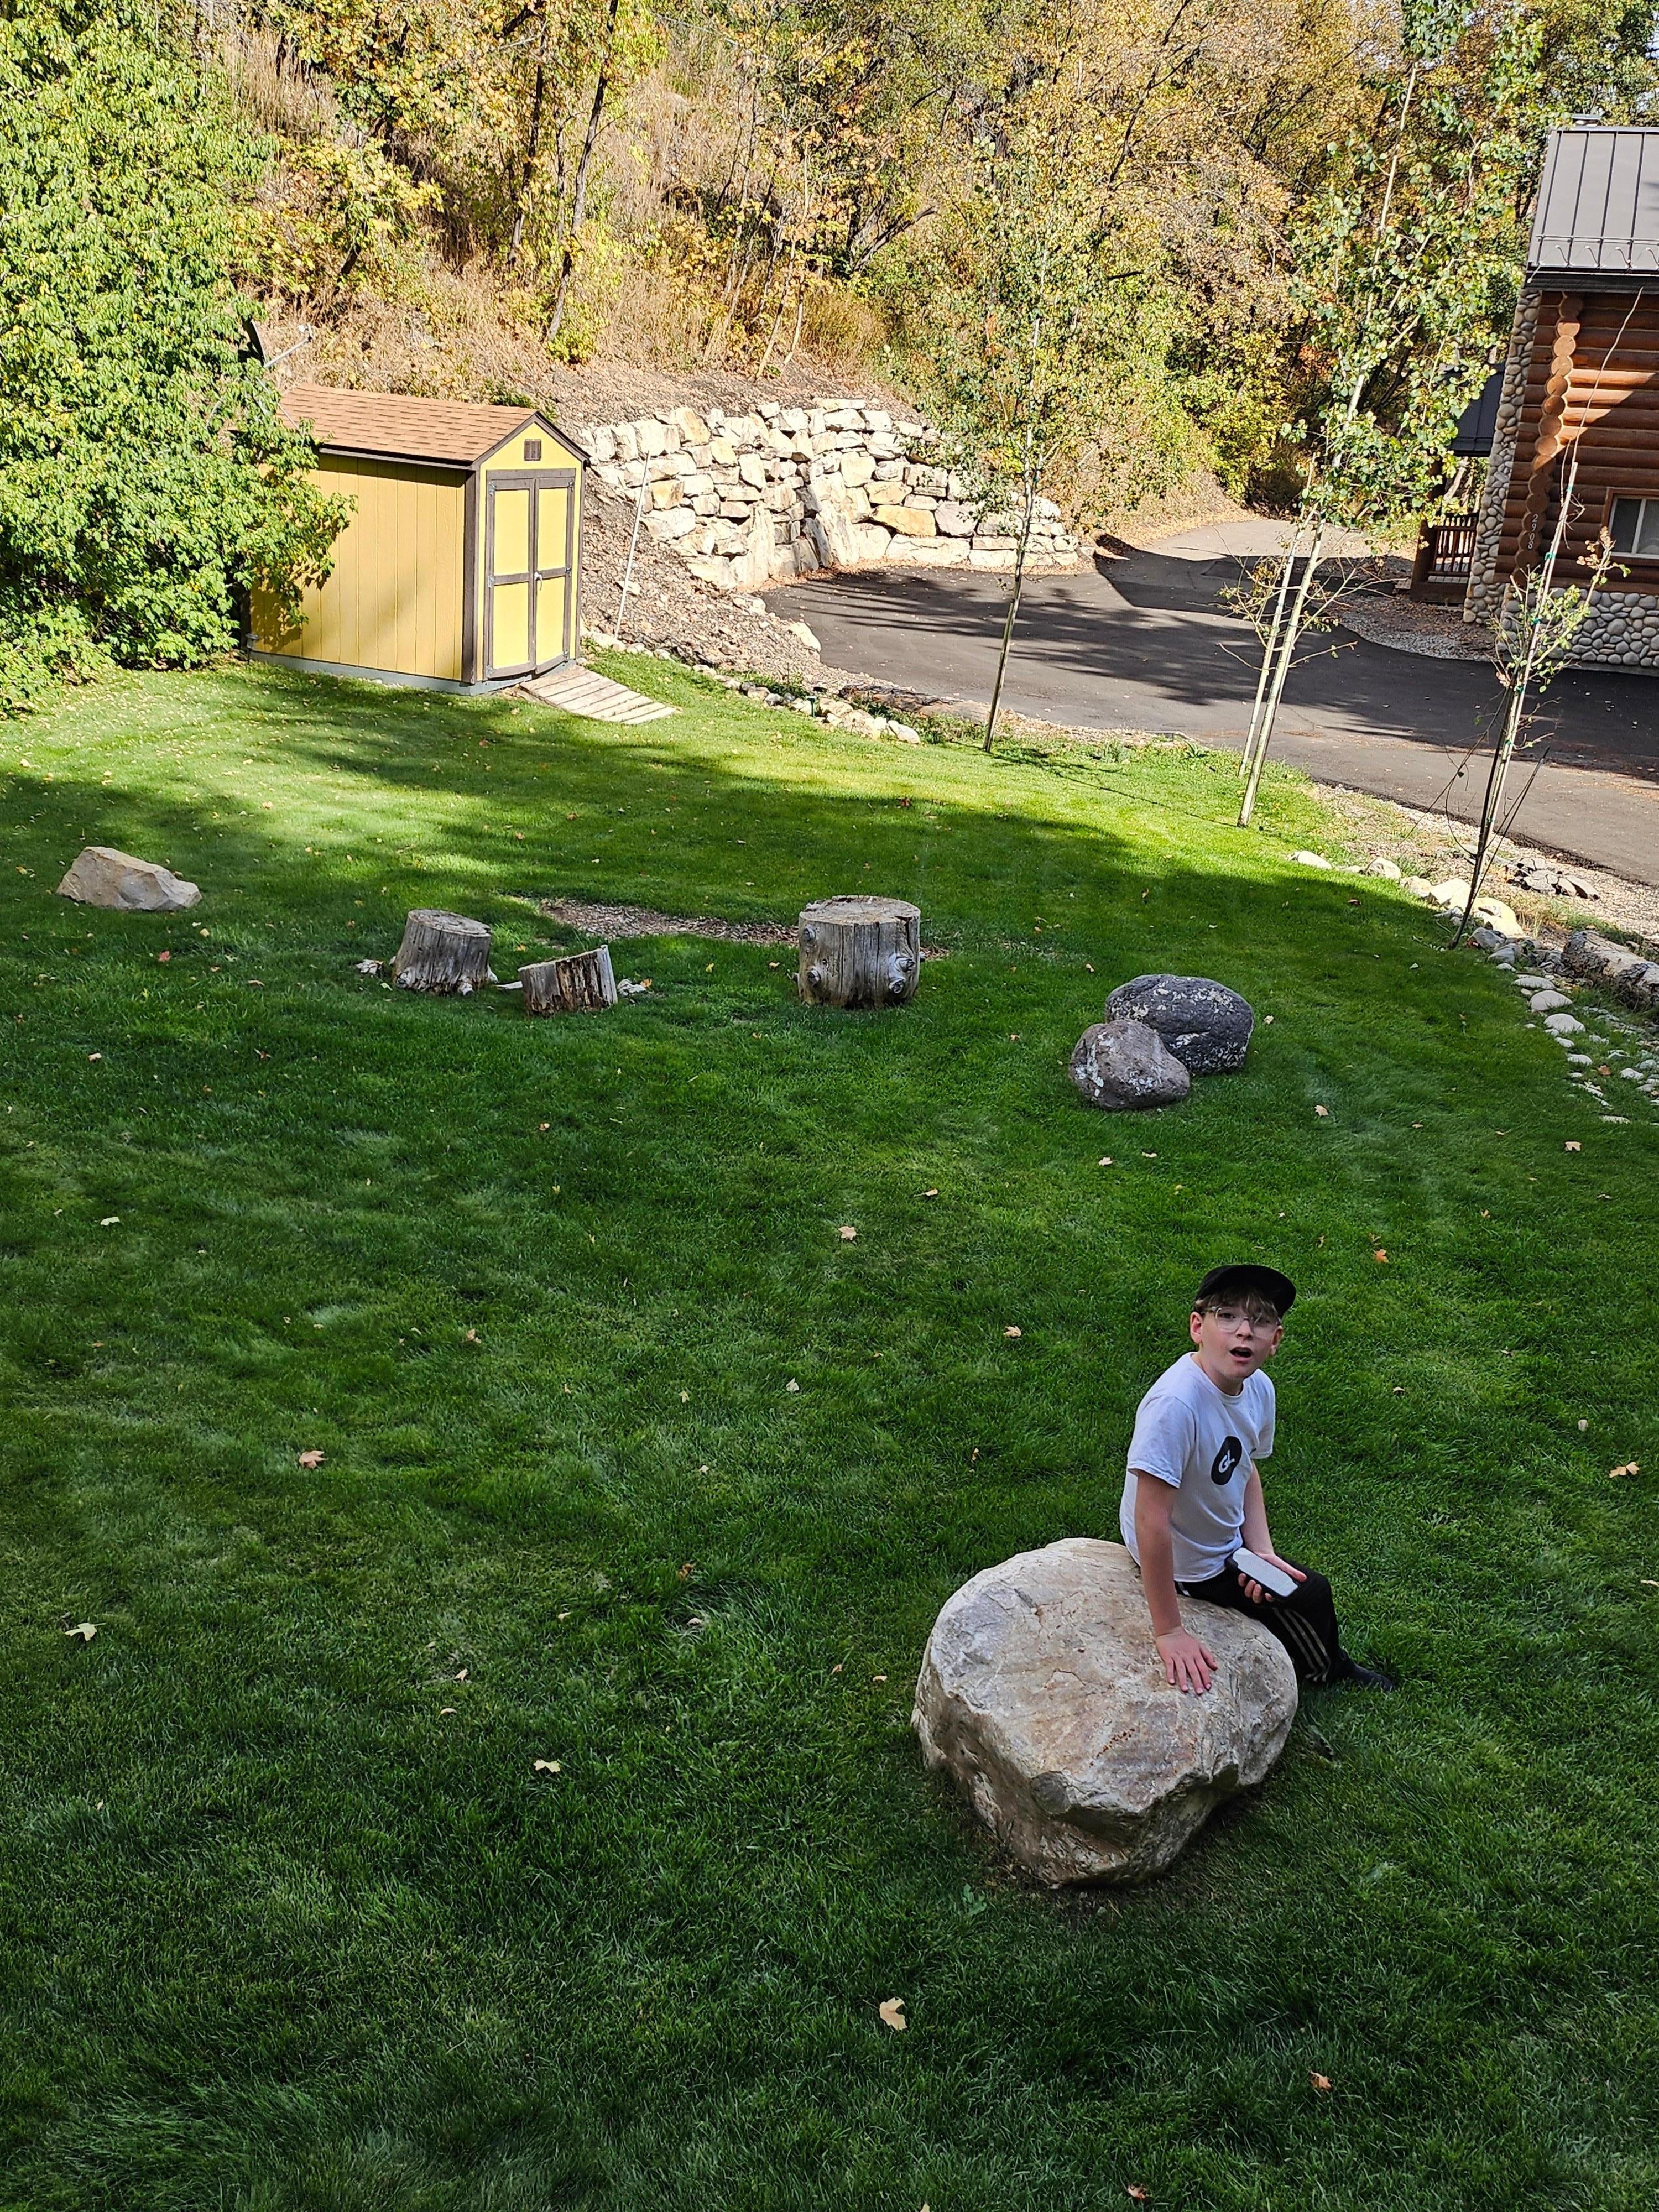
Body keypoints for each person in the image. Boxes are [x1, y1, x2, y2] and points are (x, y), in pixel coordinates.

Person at [1120, 1264, 1393, 1695]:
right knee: (1311, 1597)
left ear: (1276, 1340)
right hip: (1191, 1567)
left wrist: (1260, 1549)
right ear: (1198, 1326)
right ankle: (1324, 1669)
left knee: (1286, 1583)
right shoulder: (1176, 1406)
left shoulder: (1258, 1389)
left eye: (1261, 1320)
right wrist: (1170, 1631)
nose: (1244, 1331)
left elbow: (1244, 1469)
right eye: (1226, 1316)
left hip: (1224, 1544)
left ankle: (1316, 1655)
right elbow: (1150, 1519)